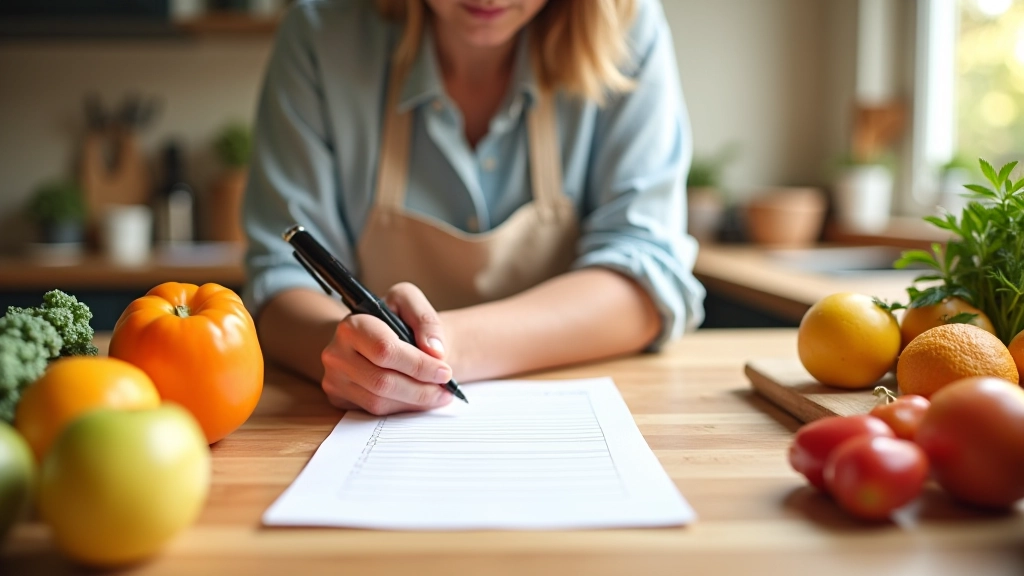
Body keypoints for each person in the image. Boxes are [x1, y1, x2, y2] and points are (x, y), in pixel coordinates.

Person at [243, 0, 706, 416]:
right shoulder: (319, 36)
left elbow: (647, 278)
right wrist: (343, 351)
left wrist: (442, 348)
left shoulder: (625, 25)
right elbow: (279, 282)